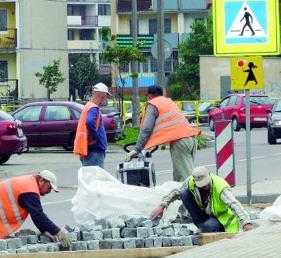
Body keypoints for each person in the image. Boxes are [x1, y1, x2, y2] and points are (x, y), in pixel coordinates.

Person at [126, 85, 201, 220]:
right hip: (191, 138)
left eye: (147, 97)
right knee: (182, 178)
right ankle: (185, 212)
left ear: (150, 96)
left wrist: (137, 149)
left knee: (184, 180)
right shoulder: (168, 102)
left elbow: (146, 129)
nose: (147, 99)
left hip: (180, 142)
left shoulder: (153, 104)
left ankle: (190, 214)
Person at [0, 170, 71, 248]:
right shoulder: (29, 190)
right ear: (41, 181)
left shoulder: (30, 184)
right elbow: (38, 216)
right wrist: (58, 232)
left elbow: (36, 215)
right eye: (49, 188)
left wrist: (45, 231)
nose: (49, 191)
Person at [149, 166, 254, 233]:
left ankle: (207, 228)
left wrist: (246, 222)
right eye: (201, 185)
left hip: (221, 219)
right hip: (205, 215)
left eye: (206, 184)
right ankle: (202, 226)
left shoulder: (220, 187)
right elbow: (176, 192)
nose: (205, 187)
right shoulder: (191, 181)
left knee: (209, 227)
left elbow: (234, 204)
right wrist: (162, 205)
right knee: (184, 193)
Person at [73, 82, 110, 168]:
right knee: (95, 179)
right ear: (103, 96)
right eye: (106, 96)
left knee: (90, 178)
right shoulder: (93, 108)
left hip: (89, 149)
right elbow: (89, 122)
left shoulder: (88, 106)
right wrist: (94, 137)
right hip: (95, 151)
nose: (105, 99)